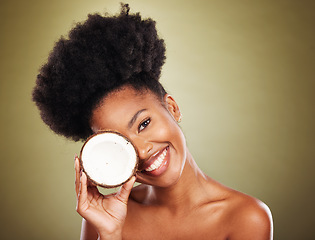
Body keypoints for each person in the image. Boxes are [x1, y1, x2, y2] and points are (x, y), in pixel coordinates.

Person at [32, 4, 273, 240]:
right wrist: (110, 234)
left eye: (144, 124)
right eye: (121, 143)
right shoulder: (105, 216)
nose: (142, 151)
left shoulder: (246, 218)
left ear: (172, 108)